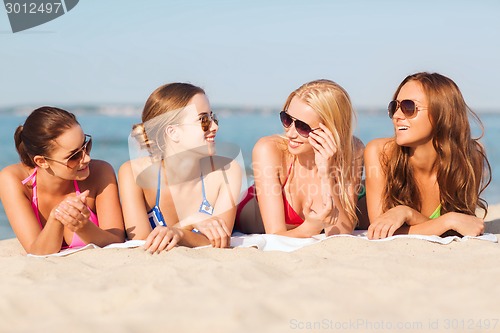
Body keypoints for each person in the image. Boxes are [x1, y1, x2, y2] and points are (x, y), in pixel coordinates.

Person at [365, 72, 491, 239]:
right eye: (394, 107)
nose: (396, 116)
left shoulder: (469, 158)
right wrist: (448, 221)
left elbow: (461, 227)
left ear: (442, 113)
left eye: (408, 107)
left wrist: (409, 214)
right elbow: (379, 232)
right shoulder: (380, 152)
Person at [118, 83, 242, 253]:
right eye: (203, 120)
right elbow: (141, 242)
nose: (214, 126)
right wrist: (189, 223)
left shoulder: (228, 171)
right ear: (172, 132)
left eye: (213, 118)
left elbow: (220, 240)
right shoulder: (133, 173)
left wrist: (179, 233)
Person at [236, 79, 366, 237]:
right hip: (244, 216)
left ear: (331, 129)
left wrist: (327, 174)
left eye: (302, 127)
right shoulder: (269, 150)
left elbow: (342, 232)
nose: (290, 133)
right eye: (287, 119)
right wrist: (311, 228)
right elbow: (275, 235)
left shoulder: (353, 150)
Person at [0, 106, 125, 255]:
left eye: (86, 145)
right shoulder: (13, 180)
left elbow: (117, 241)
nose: (86, 158)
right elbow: (37, 252)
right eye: (74, 156)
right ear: (41, 161)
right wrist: (57, 218)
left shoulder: (100, 172)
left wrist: (83, 227)